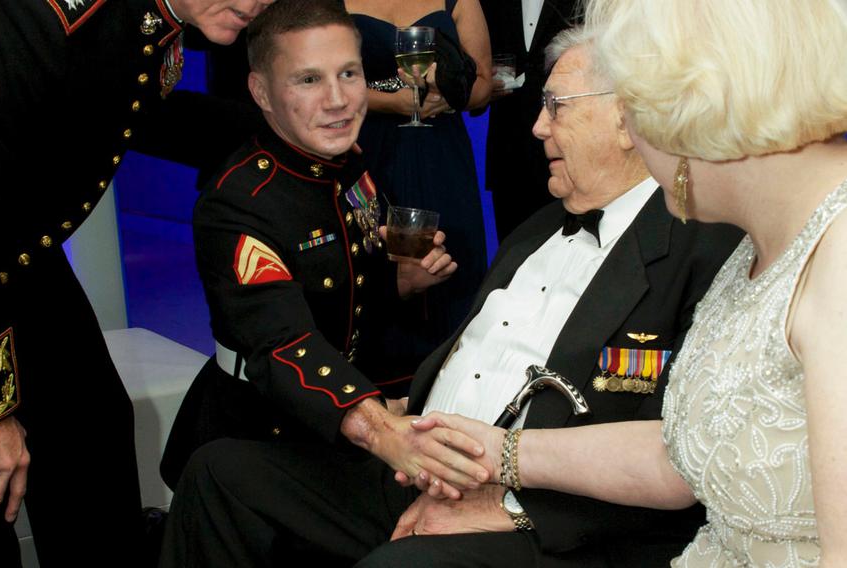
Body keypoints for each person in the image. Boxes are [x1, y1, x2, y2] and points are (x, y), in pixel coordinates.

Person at [160, 27, 744, 567]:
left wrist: (512, 507)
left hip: (543, 511)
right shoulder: (539, 225)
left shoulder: (702, 251)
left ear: (626, 120)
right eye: (309, 79)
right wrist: (401, 428)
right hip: (425, 461)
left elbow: (686, 455)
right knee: (219, 473)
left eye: (555, 107)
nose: (537, 127)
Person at [412, 1, 847, 565]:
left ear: (701, 103)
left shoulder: (835, 264)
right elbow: (685, 452)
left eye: (639, 108)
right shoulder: (756, 245)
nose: (638, 141)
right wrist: (498, 452)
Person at [0, 1, 273, 566]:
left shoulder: (144, 17)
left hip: (15, 258)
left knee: (92, 446)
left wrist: (287, 125)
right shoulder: (25, 15)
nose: (256, 2)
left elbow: (120, 106)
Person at [159, 0, 493, 506]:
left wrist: (399, 281)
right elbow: (283, 345)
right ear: (261, 92)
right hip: (257, 445)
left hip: (332, 430)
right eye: (309, 80)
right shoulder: (239, 202)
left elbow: (345, 286)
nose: (338, 100)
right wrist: (379, 428)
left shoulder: (348, 169)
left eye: (349, 74)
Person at [343, 0, 493, 378]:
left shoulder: (459, 1)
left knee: (450, 257)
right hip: (369, 146)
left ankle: (452, 379)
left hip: (440, 151)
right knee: (375, 256)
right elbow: (327, 81)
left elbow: (483, 86)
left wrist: (448, 89)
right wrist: (391, 103)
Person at [479, 0, 575, 242]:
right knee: (512, 251)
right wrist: (479, 88)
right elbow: (475, 63)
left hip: (569, 147)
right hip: (509, 151)